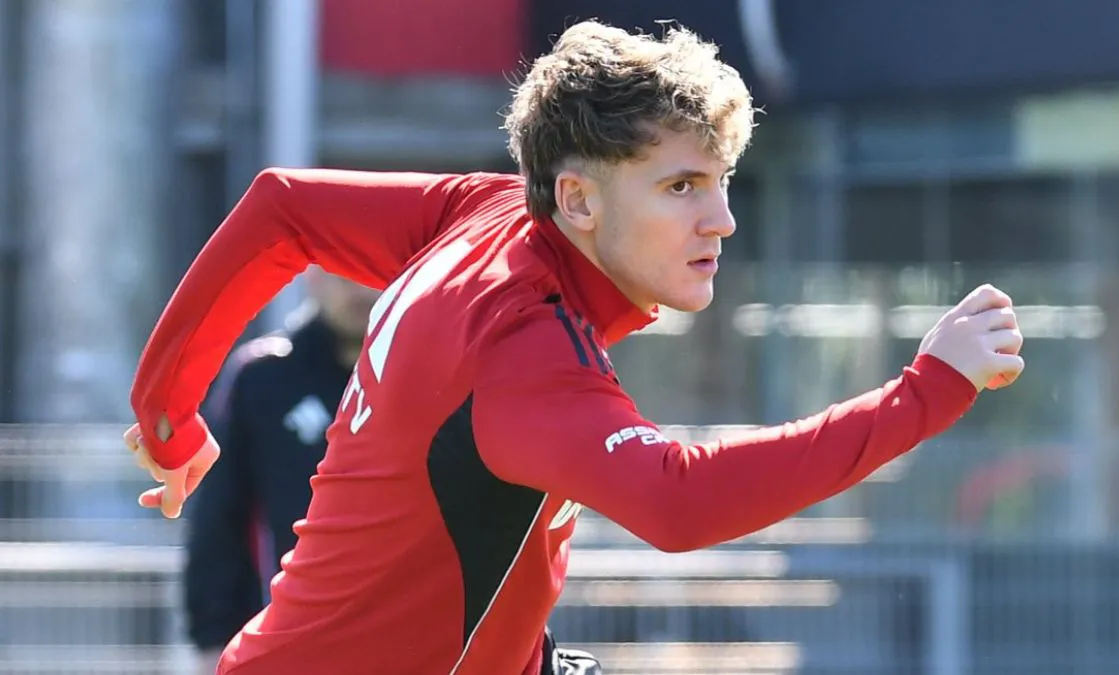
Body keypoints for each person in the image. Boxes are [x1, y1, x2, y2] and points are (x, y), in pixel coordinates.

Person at [122, 20, 1024, 675]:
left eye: (721, 182)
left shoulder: (483, 216)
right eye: (680, 186)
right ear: (580, 202)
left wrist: (167, 416)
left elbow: (282, 209)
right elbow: (681, 502)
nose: (722, 219)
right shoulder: (527, 349)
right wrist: (926, 391)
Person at [182, 269, 379, 674]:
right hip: (283, 641)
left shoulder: (419, 373)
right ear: (312, 278)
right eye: (346, 274)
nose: (361, 290)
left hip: (402, 637)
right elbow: (218, 516)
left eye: (373, 273)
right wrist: (212, 638)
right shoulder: (262, 377)